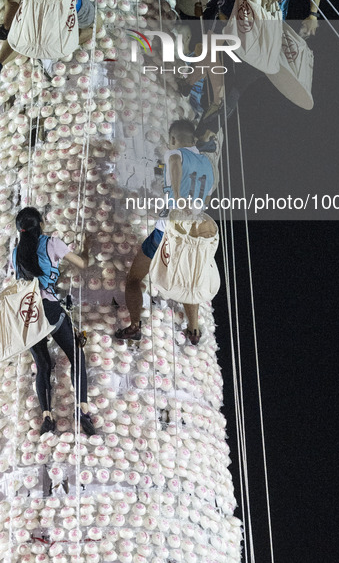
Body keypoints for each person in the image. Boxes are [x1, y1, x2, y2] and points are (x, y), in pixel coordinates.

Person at [115, 119, 216, 345]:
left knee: (134, 279)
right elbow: (206, 198)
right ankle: (194, 329)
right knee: (189, 283)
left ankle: (134, 326)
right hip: (192, 236)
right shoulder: (209, 165)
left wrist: (178, 198)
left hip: (167, 233)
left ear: (172, 139)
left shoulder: (174, 154)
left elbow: (175, 165)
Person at [13, 207, 97, 437]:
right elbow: (83, 264)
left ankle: (47, 415)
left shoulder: (15, 253)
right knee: (76, 355)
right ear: (41, 223)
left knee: (43, 365)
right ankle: (82, 410)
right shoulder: (51, 243)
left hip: (27, 314)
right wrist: (86, 247)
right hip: (49, 307)